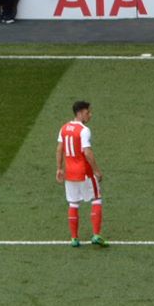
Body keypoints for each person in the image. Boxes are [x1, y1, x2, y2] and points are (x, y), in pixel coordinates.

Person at [57, 99, 105, 247]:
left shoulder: (64, 128)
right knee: (96, 199)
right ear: (79, 113)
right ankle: (96, 235)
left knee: (73, 203)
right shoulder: (84, 130)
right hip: (84, 172)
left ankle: (74, 238)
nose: (90, 115)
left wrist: (59, 168)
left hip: (70, 173)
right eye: (87, 112)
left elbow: (59, 149)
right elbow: (87, 152)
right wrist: (97, 170)